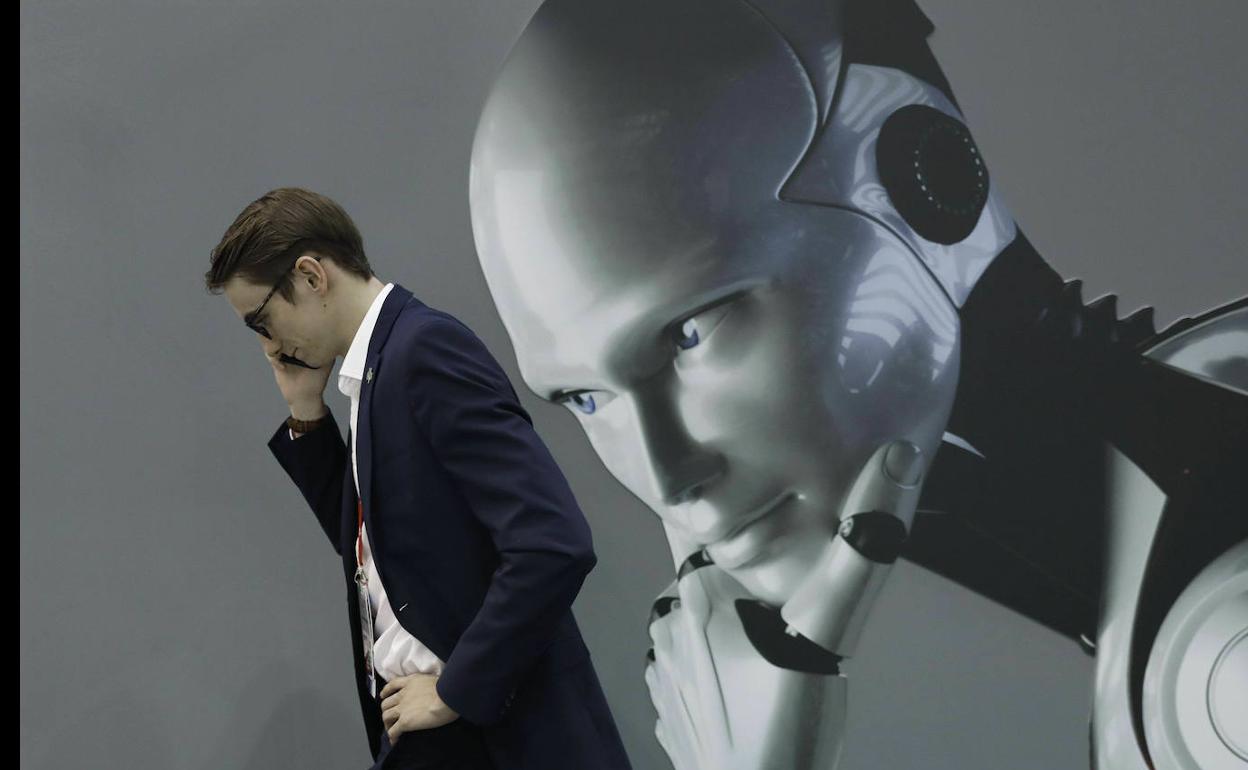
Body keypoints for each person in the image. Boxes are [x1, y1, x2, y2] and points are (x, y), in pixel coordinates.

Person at [463, 0, 1248, 768]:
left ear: (929, 183)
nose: (671, 479)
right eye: (586, 398)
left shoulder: (1222, 668)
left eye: (690, 334)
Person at [204, 187, 633, 770]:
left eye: (262, 321)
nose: (268, 347)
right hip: (439, 731)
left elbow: (553, 541)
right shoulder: (377, 371)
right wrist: (306, 411)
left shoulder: (423, 350)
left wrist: (459, 689)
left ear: (310, 276)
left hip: (487, 734)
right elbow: (385, 550)